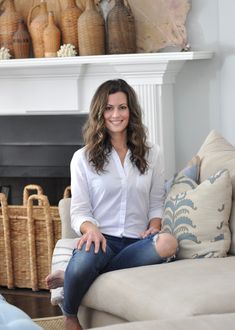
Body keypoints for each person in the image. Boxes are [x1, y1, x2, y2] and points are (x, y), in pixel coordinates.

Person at [46, 79, 178, 330]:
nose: (116, 114)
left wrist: (154, 226)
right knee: (86, 258)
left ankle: (74, 277)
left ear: (132, 111)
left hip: (137, 241)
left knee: (169, 243)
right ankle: (70, 314)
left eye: (122, 107)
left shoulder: (153, 153)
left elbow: (156, 201)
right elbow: (79, 210)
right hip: (101, 240)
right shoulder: (82, 158)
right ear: (100, 113)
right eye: (108, 108)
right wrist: (91, 229)